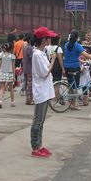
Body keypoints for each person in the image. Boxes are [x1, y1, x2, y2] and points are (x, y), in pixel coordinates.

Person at [30, 27, 58, 158]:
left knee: (41, 121)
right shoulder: (37, 54)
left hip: (44, 90)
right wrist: (52, 61)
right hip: (41, 91)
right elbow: (45, 72)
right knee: (38, 120)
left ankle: (39, 145)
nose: (50, 39)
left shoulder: (41, 53)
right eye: (48, 38)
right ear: (43, 40)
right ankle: (35, 147)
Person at [64, 30, 91, 110]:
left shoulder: (66, 44)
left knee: (71, 84)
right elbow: (86, 55)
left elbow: (71, 56)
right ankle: (73, 105)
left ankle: (71, 102)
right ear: (77, 38)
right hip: (74, 67)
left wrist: (81, 60)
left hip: (66, 67)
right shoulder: (77, 46)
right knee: (75, 86)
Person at [0, 42, 16, 108]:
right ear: (11, 49)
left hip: (2, 72)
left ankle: (0, 101)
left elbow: (0, 65)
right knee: (11, 88)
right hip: (10, 73)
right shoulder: (12, 56)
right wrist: (14, 76)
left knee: (2, 88)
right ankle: (12, 102)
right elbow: (13, 67)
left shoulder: (1, 56)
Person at [22, 32, 35, 105]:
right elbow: (32, 58)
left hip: (26, 68)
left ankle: (28, 99)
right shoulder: (30, 48)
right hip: (30, 68)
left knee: (27, 84)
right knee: (30, 84)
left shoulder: (25, 47)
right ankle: (30, 99)